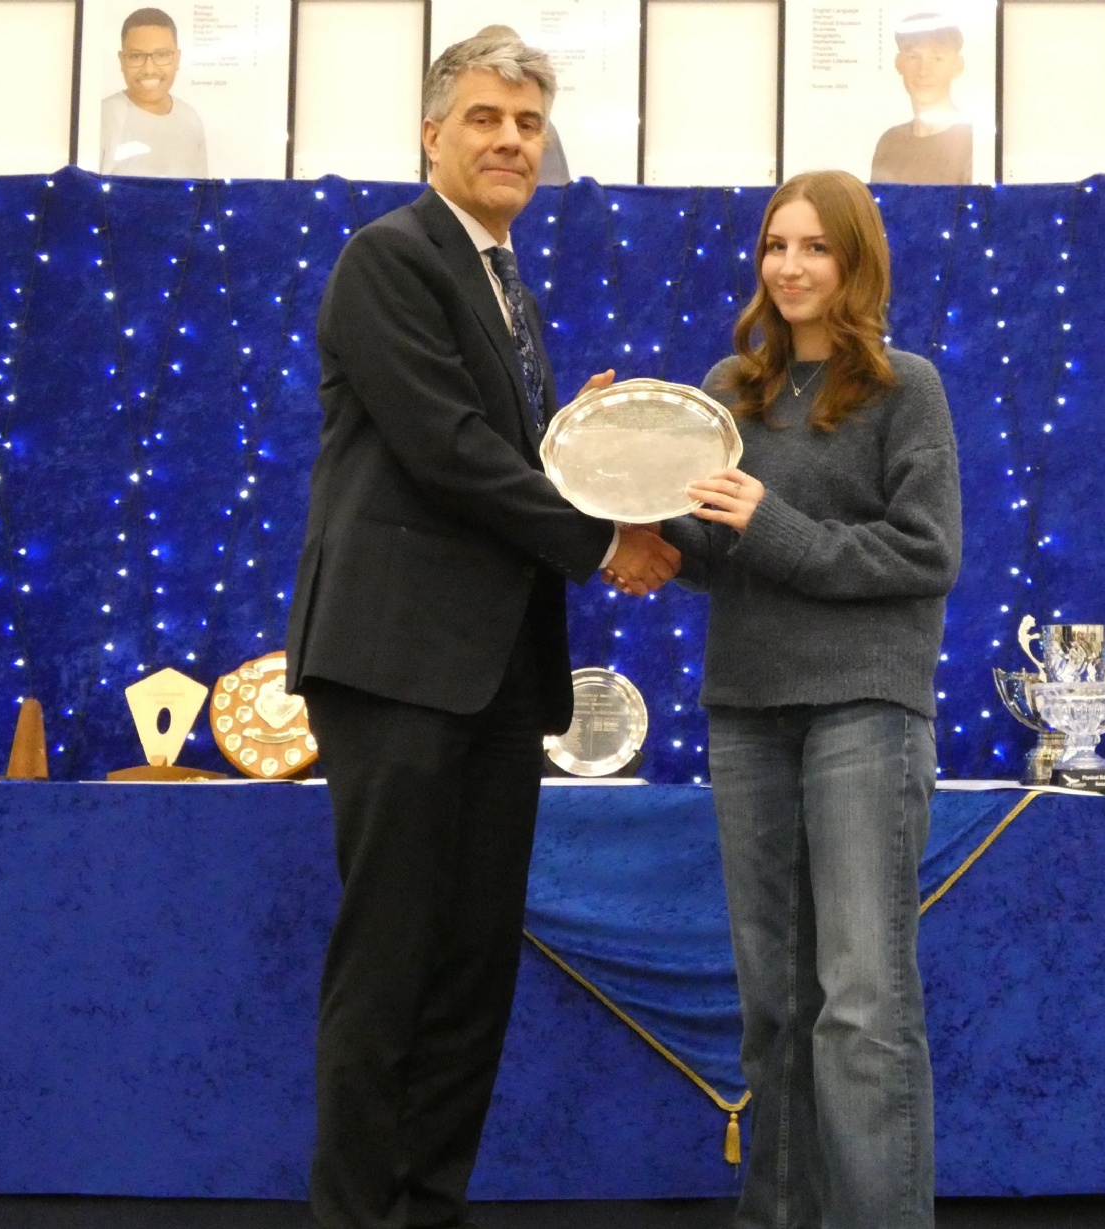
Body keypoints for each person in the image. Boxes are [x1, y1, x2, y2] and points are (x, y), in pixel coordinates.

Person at [283, 29, 678, 1229]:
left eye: (527, 123)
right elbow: (447, 450)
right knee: (390, 963)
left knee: (471, 970)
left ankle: (429, 1208)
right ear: (431, 134)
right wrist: (605, 540)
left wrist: (581, 444)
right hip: (398, 663)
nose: (511, 140)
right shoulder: (389, 257)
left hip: (501, 675)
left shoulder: (510, 286)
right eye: (486, 119)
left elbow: (501, 452)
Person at [663, 170, 961, 1229]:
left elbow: (925, 552)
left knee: (861, 1005)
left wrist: (768, 522)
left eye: (815, 247)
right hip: (747, 711)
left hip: (864, 712)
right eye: (775, 246)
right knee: (775, 1005)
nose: (789, 266)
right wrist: (635, 507)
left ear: (856, 260)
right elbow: (713, 553)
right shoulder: (729, 388)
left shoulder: (905, 388)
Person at [98, 7, 209, 178]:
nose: (149, 69)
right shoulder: (103, 117)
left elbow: (202, 191)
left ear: (177, 59)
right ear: (122, 61)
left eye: (162, 55)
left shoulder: (190, 119)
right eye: (136, 56)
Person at [870, 14, 972, 185]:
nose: (924, 71)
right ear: (898, 63)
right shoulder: (889, 142)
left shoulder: (974, 142)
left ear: (958, 65)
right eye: (913, 57)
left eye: (938, 58)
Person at [474, 25, 571, 184]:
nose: (510, 141)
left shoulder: (543, 129)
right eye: (483, 121)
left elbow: (554, 190)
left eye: (525, 126)